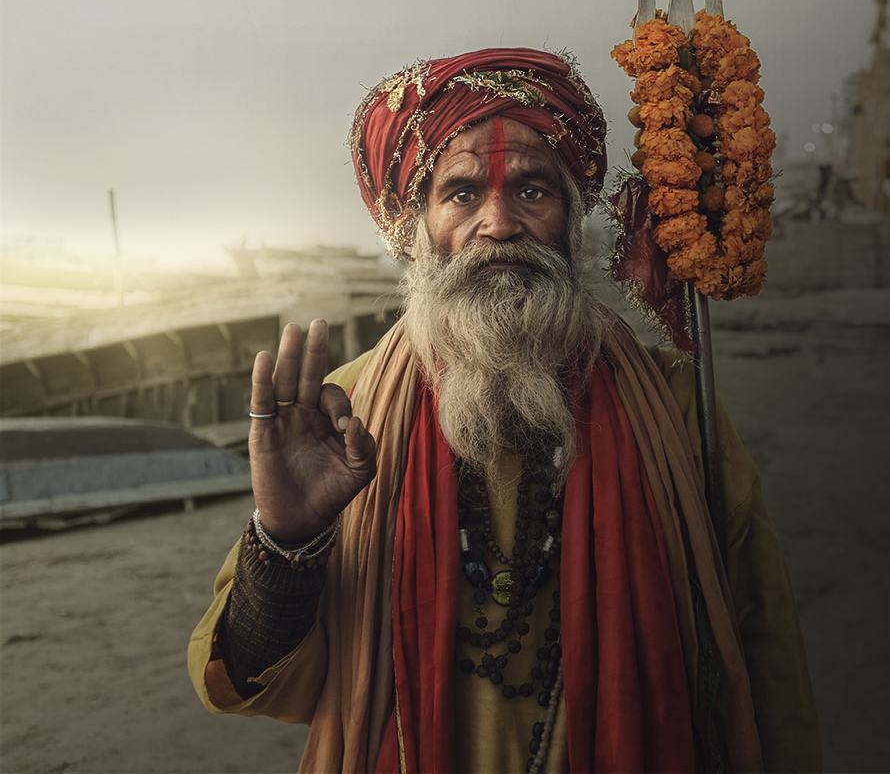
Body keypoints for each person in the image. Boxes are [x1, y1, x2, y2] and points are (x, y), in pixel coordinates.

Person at [189, 48, 821, 774]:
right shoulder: (347, 411)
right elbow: (250, 688)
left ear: (572, 216)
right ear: (414, 227)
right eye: (460, 194)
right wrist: (287, 542)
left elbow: (763, 652)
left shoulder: (674, 408)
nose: (498, 222)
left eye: (531, 190)